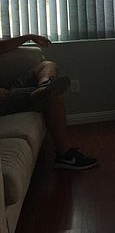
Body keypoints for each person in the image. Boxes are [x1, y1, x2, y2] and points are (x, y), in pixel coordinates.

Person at [0, 34, 97, 170]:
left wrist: (29, 37)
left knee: (48, 65)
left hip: (9, 87)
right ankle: (65, 155)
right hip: (3, 98)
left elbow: (2, 46)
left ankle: (44, 87)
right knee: (54, 98)